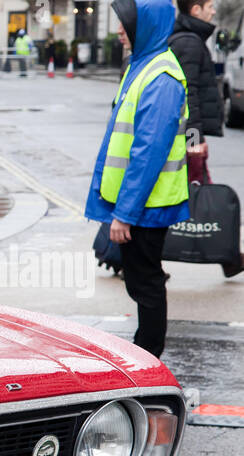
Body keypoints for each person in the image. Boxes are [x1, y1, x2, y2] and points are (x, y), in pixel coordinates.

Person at [85, 0, 189, 359]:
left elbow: (148, 154)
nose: (117, 30)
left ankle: (148, 355)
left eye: (124, 23)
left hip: (147, 204)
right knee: (140, 280)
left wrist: (125, 214)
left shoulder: (160, 77)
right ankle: (146, 349)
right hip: (140, 202)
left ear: (145, 26)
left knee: (146, 283)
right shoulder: (142, 65)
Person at [169, 0, 222, 185]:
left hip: (188, 136)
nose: (214, 12)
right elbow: (187, 95)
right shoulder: (189, 43)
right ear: (196, 10)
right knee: (196, 194)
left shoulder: (190, 39)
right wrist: (194, 141)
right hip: (188, 138)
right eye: (210, 7)